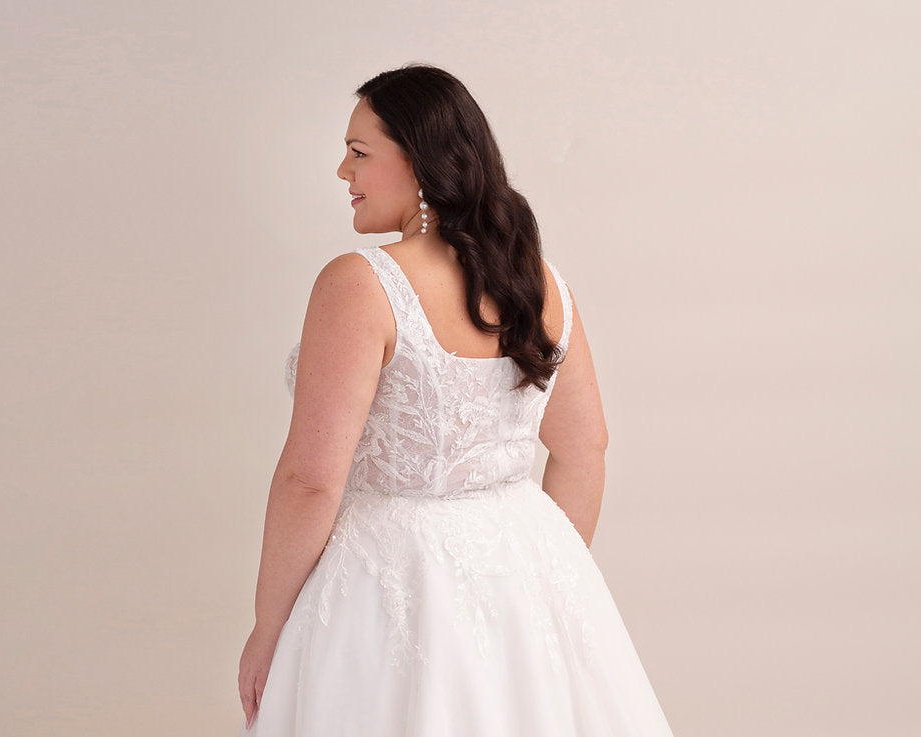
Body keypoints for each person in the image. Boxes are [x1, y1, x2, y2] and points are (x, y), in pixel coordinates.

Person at [236, 64, 675, 736]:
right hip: (523, 569)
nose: (341, 173)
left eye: (359, 153)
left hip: (386, 590)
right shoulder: (541, 281)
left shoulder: (360, 284)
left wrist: (270, 627)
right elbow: (584, 447)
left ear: (421, 162)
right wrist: (546, 590)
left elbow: (310, 480)